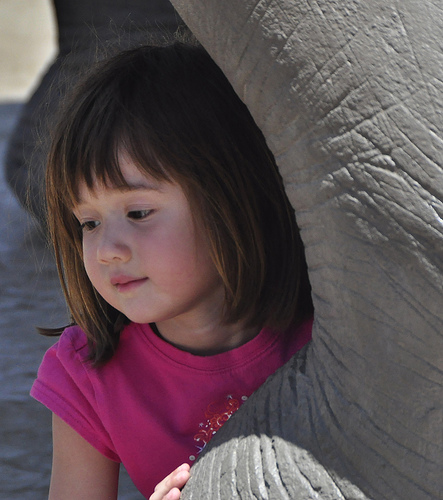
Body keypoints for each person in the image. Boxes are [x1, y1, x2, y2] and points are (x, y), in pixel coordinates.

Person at [31, 36, 314, 499]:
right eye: (88, 222)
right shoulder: (87, 373)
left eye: (138, 214)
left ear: (233, 199)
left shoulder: (329, 336)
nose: (106, 250)